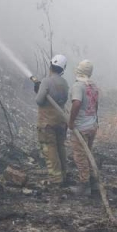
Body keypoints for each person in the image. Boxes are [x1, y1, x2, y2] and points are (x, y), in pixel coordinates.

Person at [34, 54, 70, 185]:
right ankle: (63, 174)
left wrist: (38, 90)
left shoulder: (46, 81)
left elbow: (39, 101)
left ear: (51, 66)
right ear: (62, 69)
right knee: (60, 147)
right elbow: (62, 100)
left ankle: (56, 179)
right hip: (61, 121)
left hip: (47, 123)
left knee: (50, 148)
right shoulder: (65, 83)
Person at [68, 59, 100, 198]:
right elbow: (96, 105)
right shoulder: (93, 86)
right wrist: (95, 121)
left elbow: (76, 103)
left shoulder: (78, 86)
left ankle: (84, 185)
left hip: (81, 127)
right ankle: (94, 183)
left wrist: (71, 121)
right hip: (92, 126)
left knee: (80, 157)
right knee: (88, 154)